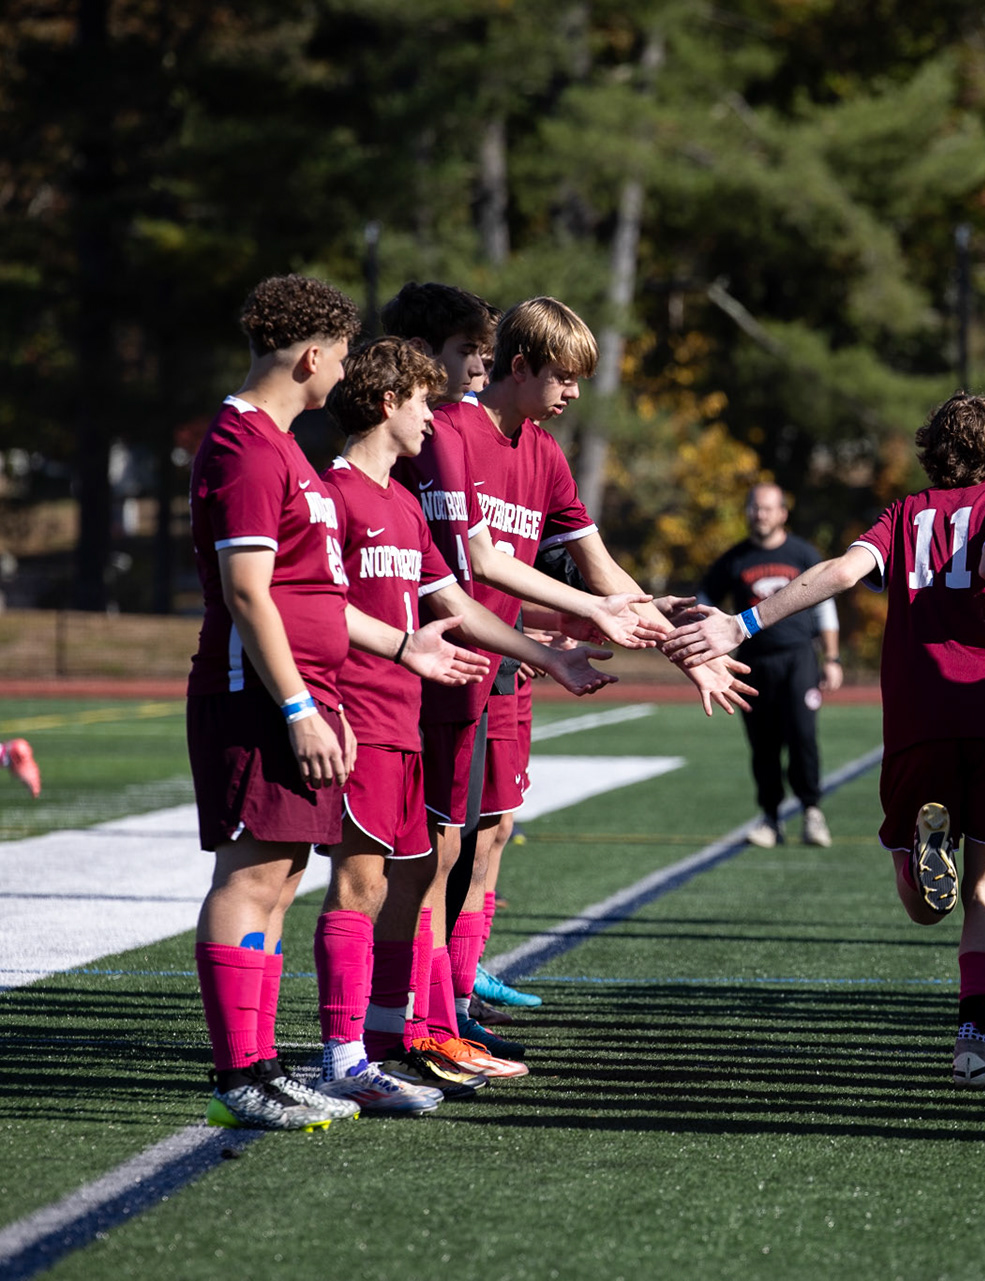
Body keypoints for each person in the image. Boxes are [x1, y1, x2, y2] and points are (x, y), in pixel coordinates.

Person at [662, 393, 985, 1088]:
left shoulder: (904, 512)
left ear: (932, 449)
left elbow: (840, 572)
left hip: (918, 713)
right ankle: (970, 1044)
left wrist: (741, 624)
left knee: (924, 909)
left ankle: (922, 857)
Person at [400, 296, 755, 1077]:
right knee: (430, 852)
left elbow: (602, 569)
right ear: (519, 366)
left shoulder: (544, 452)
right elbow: (484, 563)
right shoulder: (450, 432)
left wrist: (681, 645)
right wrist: (592, 612)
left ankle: (448, 1009)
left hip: (501, 665)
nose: (572, 393)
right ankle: (414, 1022)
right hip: (440, 663)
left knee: (479, 835)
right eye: (562, 377)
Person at [186, 275, 490, 1131]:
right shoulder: (248, 447)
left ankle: (261, 1065)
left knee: (280, 882)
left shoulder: (280, 447)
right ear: (312, 356)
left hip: (303, 692)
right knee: (251, 877)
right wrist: (297, 707)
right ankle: (240, 1073)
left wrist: (401, 645)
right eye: (344, 354)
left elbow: (312, 595)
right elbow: (250, 593)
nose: (348, 370)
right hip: (258, 695)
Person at [313, 337, 620, 1109]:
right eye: (425, 401)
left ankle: (393, 1038)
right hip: (357, 713)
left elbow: (457, 604)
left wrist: (549, 655)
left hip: (407, 716)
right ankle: (340, 1055)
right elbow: (309, 607)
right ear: (389, 403)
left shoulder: (404, 505)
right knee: (356, 881)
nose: (436, 416)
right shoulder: (333, 494)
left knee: (420, 872)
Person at [698, 483, 844, 848]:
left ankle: (812, 812)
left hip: (798, 658)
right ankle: (770, 818)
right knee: (763, 743)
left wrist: (832, 657)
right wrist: (709, 645)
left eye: (766, 508)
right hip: (752, 662)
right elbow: (704, 600)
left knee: (802, 734)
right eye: (754, 508)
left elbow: (826, 606)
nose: (759, 514)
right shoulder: (734, 559)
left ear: (782, 513)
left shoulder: (803, 553)